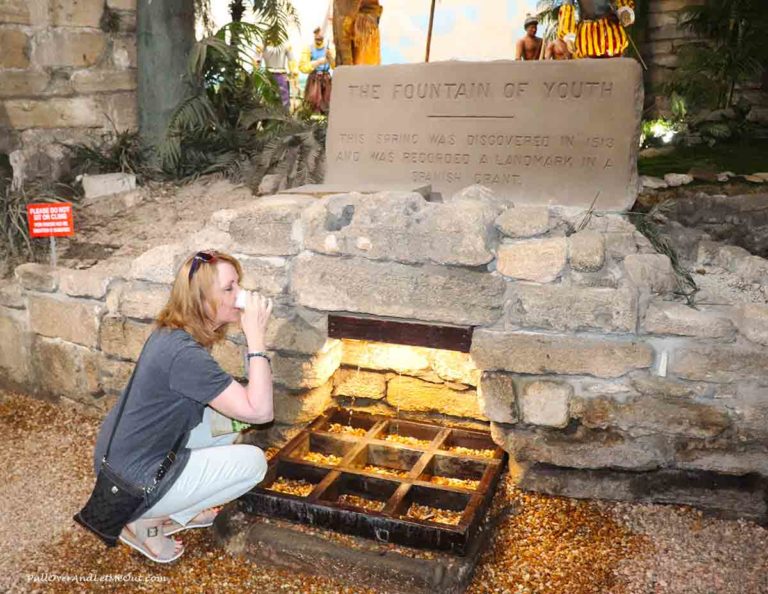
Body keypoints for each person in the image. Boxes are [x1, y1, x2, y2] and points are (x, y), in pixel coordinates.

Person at [91, 250, 274, 563]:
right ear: (201, 300)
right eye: (229, 288)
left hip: (119, 461)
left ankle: (176, 505)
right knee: (254, 463)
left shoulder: (172, 335)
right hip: (130, 481)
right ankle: (144, 520)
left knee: (229, 421)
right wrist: (256, 338)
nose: (239, 294)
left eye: (237, 285)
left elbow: (241, 410)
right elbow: (261, 412)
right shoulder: (184, 354)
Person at [556, 0, 636, 59]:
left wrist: (625, 12)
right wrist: (569, 36)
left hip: (610, 34)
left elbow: (623, 5)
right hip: (587, 38)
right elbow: (567, 5)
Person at [299, 26, 335, 115]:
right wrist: (317, 63)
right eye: (317, 37)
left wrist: (330, 58)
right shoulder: (309, 49)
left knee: (327, 103)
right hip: (314, 80)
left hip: (326, 79)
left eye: (320, 37)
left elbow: (335, 66)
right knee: (313, 103)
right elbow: (303, 67)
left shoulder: (329, 49)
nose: (319, 39)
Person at [255, 42, 298, 110]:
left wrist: (295, 82)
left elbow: (293, 64)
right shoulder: (261, 46)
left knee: (283, 104)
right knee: (267, 104)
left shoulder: (286, 45)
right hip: (269, 78)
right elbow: (256, 63)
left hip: (281, 78)